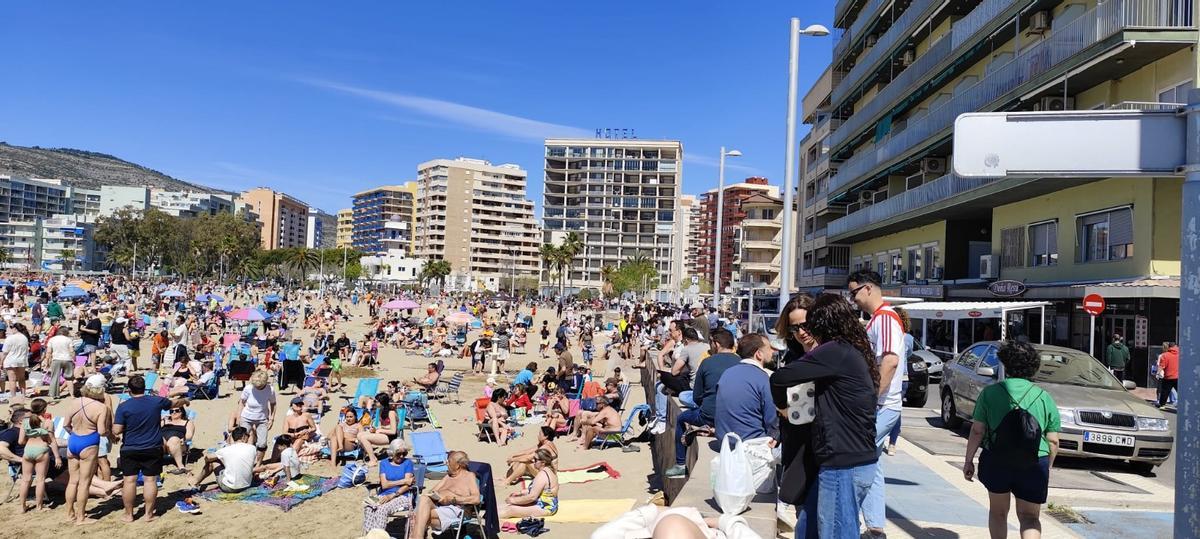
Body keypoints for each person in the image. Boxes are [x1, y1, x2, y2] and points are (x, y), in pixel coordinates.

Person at [769, 293, 881, 538]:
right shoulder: (851, 350)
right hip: (845, 459)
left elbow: (779, 378)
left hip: (841, 461)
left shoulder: (834, 352)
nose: (802, 332)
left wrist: (783, 409)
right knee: (810, 526)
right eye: (795, 328)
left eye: (808, 325)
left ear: (821, 323)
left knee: (835, 532)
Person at [963, 340, 1061, 539]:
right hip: (1034, 461)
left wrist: (968, 461)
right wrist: (1046, 466)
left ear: (1005, 364)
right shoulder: (1044, 397)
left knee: (998, 513)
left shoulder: (990, 393)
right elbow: (1053, 441)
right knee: (1030, 517)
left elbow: (977, 431)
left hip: (997, 459)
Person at [847, 269, 907, 538]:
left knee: (857, 459)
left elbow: (890, 361)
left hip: (882, 405)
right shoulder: (879, 319)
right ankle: (874, 527)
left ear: (868, 288)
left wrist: (870, 400)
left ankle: (854, 520)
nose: (853, 299)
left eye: (854, 292)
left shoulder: (884, 318)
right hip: (882, 404)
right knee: (871, 462)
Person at [665, 328, 741, 478]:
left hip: (709, 416)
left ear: (716, 344)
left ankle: (680, 465)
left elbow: (697, 396)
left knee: (682, 418)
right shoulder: (741, 362)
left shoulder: (707, 362)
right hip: (735, 416)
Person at [114, 374, 180, 522]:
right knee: (150, 480)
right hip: (152, 446)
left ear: (129, 390)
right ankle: (148, 515)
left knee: (129, 481)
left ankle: (129, 514)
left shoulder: (123, 406)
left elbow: (117, 430)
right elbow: (174, 403)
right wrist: (185, 401)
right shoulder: (156, 401)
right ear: (145, 388)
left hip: (130, 447)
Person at [713, 333, 778, 446]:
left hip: (724, 441)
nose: (773, 351)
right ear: (759, 354)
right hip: (751, 443)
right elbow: (771, 419)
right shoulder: (763, 378)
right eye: (769, 348)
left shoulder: (727, 373)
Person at [64, 377, 111, 525]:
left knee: (72, 482)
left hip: (74, 441)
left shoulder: (74, 402)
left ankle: (69, 513)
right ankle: (81, 517)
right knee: (84, 483)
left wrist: (74, 435)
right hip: (89, 442)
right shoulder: (101, 407)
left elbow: (66, 425)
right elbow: (102, 431)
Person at [406, 451, 480, 539]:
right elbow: (431, 491)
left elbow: (476, 499)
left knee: (417, 515)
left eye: (449, 461)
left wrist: (453, 498)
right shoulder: (448, 476)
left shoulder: (469, 476)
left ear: (458, 465)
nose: (446, 463)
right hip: (440, 507)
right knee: (424, 499)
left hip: (457, 510)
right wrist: (439, 495)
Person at [363, 438, 416, 534]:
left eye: (404, 453)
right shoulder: (384, 463)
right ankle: (370, 535)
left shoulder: (407, 463)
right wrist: (404, 480)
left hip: (401, 495)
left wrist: (393, 495)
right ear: (392, 453)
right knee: (369, 508)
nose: (401, 456)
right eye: (398, 453)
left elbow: (407, 486)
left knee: (382, 510)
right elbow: (384, 485)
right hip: (384, 494)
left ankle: (379, 536)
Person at [190, 426, 257, 493]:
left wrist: (208, 460)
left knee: (212, 462)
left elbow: (208, 458)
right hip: (246, 485)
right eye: (247, 435)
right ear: (243, 437)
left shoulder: (225, 450)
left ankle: (195, 482)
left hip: (230, 488)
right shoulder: (253, 448)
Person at [499, 448, 559, 518]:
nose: (533, 461)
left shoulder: (542, 475)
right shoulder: (548, 470)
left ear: (543, 462)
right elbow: (540, 490)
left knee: (511, 510)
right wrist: (521, 492)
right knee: (507, 506)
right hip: (546, 503)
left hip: (545, 507)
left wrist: (513, 500)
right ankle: (488, 513)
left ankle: (488, 518)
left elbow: (532, 497)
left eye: (536, 460)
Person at [17, 413, 60, 512]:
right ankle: (39, 506)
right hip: (41, 449)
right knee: (40, 480)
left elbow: (21, 441)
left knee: (25, 480)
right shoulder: (44, 429)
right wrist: (57, 456)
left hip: (28, 449)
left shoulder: (25, 423)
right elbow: (50, 441)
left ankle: (22, 507)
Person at [237, 370, 276, 464]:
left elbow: (273, 404)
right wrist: (239, 416)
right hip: (247, 417)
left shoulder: (270, 389)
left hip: (262, 418)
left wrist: (271, 418)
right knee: (242, 440)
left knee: (262, 443)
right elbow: (242, 402)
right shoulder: (248, 388)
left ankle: (258, 463)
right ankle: (243, 461)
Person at [356, 393, 400, 465]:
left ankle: (373, 460)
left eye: (376, 401)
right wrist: (375, 429)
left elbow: (393, 431)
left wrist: (380, 430)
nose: (374, 402)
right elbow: (383, 426)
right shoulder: (380, 411)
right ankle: (368, 454)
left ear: (382, 402)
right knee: (359, 435)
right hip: (383, 433)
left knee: (364, 438)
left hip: (390, 436)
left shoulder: (391, 413)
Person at [162, 402, 195, 474]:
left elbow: (189, 434)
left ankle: (181, 467)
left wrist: (184, 439)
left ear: (182, 412)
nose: (174, 413)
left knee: (173, 440)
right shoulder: (165, 421)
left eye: (177, 411)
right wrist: (162, 421)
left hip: (179, 444)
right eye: (171, 411)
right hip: (163, 444)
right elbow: (155, 430)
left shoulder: (187, 422)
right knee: (158, 439)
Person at [2, 323, 31, 402]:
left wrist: (1, 362)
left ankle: (14, 396)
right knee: (22, 379)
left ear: (15, 328)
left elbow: (5, 352)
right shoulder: (25, 338)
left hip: (11, 360)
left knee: (12, 380)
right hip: (22, 360)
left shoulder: (10, 338)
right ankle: (23, 395)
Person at [46, 326, 75, 400]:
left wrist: (47, 362)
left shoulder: (52, 339)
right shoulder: (68, 340)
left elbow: (49, 352)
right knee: (69, 378)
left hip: (56, 359)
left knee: (55, 377)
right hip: (67, 359)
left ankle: (54, 395)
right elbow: (72, 351)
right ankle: (72, 395)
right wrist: (74, 359)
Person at [1157, 342, 1179, 409]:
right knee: (1180, 391)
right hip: (1178, 377)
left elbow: (1161, 366)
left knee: (1165, 392)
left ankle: (1162, 405)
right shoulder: (1180, 354)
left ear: (1169, 347)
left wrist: (1158, 373)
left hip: (1168, 377)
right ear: (1175, 346)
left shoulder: (1165, 355)